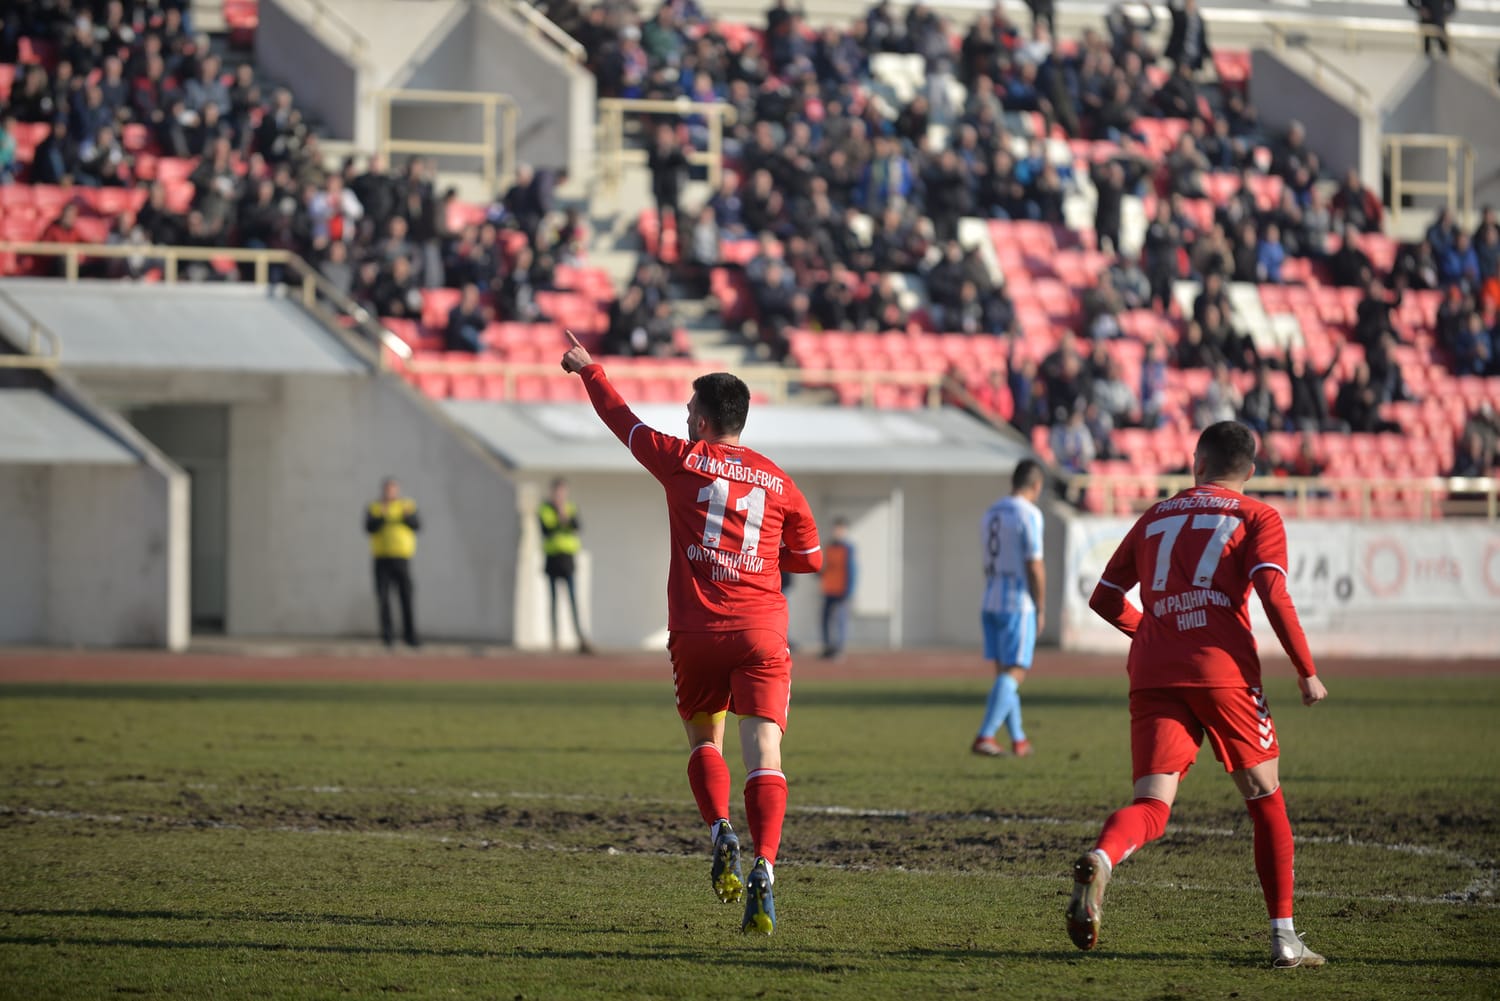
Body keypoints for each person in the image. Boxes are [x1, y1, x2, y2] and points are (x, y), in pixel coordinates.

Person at [559, 330, 823, 936]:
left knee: (706, 741)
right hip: (760, 632)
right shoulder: (779, 481)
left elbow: (621, 421)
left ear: (702, 420)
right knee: (766, 753)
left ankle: (719, 830)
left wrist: (588, 369)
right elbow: (809, 558)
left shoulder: (681, 459)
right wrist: (760, 555)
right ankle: (766, 866)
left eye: (686, 412)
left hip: (696, 633)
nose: (683, 418)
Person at [1070, 421, 1329, 969]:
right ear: (1251, 472)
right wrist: (1306, 670)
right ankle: (1284, 937)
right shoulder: (1257, 515)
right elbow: (1272, 592)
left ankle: (1103, 856)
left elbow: (1106, 597)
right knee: (1265, 797)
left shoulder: (1156, 514)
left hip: (1153, 670)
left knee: (1152, 805)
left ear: (1196, 463)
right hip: (1223, 671)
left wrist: (1156, 633)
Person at [972, 459, 1046, 757]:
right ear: (1036, 485)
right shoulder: (1028, 513)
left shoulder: (991, 513)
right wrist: (1040, 606)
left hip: (990, 598)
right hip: (1017, 602)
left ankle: (1019, 739)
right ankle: (985, 736)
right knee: (1014, 674)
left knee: (1005, 674)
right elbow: (1034, 564)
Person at [537, 477, 592, 654]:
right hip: (553, 558)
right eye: (557, 491)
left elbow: (576, 526)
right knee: (553, 601)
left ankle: (580, 638)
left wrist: (563, 516)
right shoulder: (545, 509)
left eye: (562, 491)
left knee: (573, 600)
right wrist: (561, 520)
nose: (559, 495)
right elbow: (547, 530)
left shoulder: (570, 508)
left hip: (567, 560)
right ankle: (555, 639)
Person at [365, 478, 421, 649]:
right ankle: (387, 638)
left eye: (393, 489)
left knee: (406, 598)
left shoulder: (407, 505)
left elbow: (416, 524)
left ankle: (410, 637)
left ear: (397, 490)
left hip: (402, 559)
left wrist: (406, 515)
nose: (390, 492)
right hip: (381, 559)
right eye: (387, 489)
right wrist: (382, 515)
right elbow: (369, 527)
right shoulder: (375, 507)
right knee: (383, 599)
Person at [819, 517, 857, 660]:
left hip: (842, 590)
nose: (837, 532)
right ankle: (828, 647)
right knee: (825, 619)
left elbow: (852, 570)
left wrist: (849, 590)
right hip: (829, 589)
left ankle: (839, 648)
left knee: (841, 619)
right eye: (836, 529)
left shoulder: (848, 548)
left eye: (840, 529)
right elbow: (824, 566)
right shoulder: (828, 547)